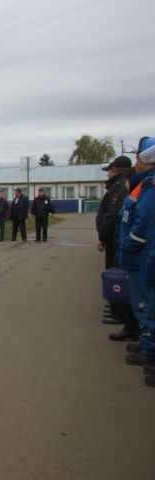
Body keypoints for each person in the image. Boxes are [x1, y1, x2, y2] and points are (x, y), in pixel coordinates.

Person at [119, 137, 155, 368]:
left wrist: (129, 245)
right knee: (141, 303)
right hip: (139, 255)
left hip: (141, 255)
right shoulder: (144, 183)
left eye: (138, 156)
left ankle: (149, 348)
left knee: (145, 304)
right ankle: (145, 341)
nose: (136, 161)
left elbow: (143, 222)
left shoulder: (150, 186)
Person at [96, 157, 138, 341]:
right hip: (116, 239)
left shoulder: (119, 187)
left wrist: (103, 236)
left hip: (119, 241)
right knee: (116, 275)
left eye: (110, 170)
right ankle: (118, 310)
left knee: (118, 276)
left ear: (116, 170)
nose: (108, 173)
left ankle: (123, 316)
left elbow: (112, 215)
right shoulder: (120, 186)